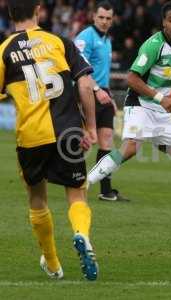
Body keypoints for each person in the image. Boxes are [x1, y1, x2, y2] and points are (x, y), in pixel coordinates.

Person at [87, 1, 171, 232]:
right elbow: (132, 78)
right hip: (140, 104)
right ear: (163, 22)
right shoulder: (153, 45)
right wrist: (159, 98)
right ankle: (82, 185)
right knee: (130, 148)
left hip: (161, 110)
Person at [1, 0, 98, 280]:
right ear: (38, 10)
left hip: (30, 136)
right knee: (77, 192)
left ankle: (54, 264)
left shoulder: (4, 51)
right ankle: (81, 235)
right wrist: (90, 125)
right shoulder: (60, 42)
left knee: (37, 199)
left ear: (10, 14)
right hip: (67, 131)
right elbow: (84, 83)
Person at [75, 1, 128, 201]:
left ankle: (106, 191)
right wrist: (97, 90)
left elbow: (101, 72)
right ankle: (73, 181)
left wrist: (108, 95)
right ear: (94, 17)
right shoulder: (85, 37)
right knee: (82, 141)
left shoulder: (107, 39)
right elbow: (79, 66)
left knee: (106, 139)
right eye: (101, 17)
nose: (105, 21)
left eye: (108, 18)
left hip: (103, 93)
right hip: (87, 91)